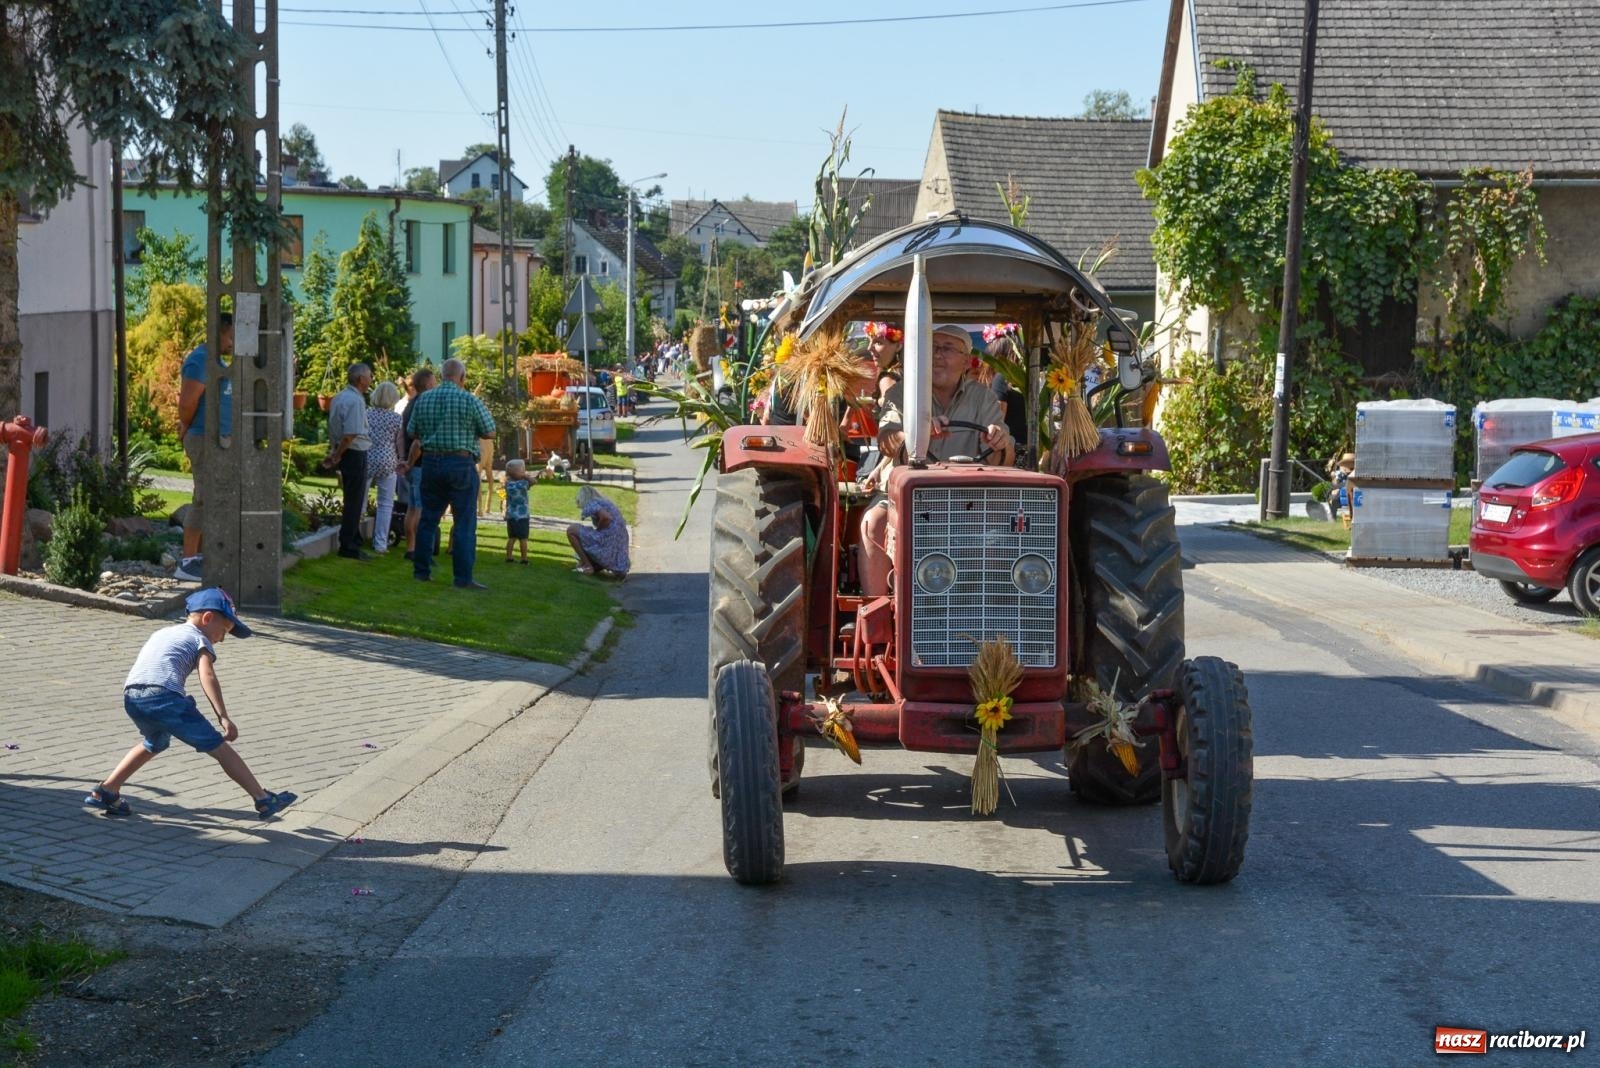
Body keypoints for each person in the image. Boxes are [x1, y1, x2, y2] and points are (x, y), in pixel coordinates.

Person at [83, 587, 297, 821]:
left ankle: (107, 790)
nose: (222, 639)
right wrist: (223, 715)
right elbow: (208, 676)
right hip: (165, 698)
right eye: (224, 630)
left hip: (133, 697)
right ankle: (263, 799)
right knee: (220, 747)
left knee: (154, 742)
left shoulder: (163, 632)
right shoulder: (199, 638)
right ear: (207, 618)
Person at [859, 324, 1014, 598]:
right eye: (931, 348)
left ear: (967, 361)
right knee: (874, 522)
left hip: (970, 498)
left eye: (947, 348)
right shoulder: (900, 395)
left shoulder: (983, 398)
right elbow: (885, 441)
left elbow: (1005, 458)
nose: (937, 355)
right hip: (905, 497)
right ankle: (877, 611)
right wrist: (917, 433)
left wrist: (999, 441)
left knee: (1011, 528)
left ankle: (992, 603)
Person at [405, 357, 496, 588]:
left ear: (442, 374)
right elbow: (490, 431)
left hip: (431, 463)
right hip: (461, 464)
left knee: (428, 519)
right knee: (464, 522)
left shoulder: (423, 399)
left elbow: (412, 431)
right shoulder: (469, 400)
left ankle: (421, 571)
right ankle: (463, 578)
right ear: (462, 378)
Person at [174, 312, 234, 582]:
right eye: (230, 336)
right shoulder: (200, 361)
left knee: (212, 498)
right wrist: (185, 426)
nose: (233, 343)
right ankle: (187, 562)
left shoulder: (218, 361)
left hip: (216, 439)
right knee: (203, 498)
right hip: (203, 437)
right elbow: (187, 403)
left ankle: (200, 558)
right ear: (218, 333)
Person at [323, 363, 374, 560]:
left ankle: (353, 538)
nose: (371, 379)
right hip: (354, 452)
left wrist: (335, 451)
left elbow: (337, 429)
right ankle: (349, 545)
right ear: (361, 379)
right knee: (354, 500)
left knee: (351, 498)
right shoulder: (356, 401)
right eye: (369, 375)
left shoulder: (340, 397)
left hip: (345, 450)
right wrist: (338, 454)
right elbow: (350, 434)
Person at [400, 366, 436, 561]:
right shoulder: (425, 404)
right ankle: (421, 550)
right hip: (420, 463)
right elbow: (418, 441)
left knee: (412, 507)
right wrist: (411, 462)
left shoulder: (410, 404)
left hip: (410, 462)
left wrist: (403, 459)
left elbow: (401, 435)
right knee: (421, 508)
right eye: (435, 381)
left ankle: (411, 548)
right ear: (428, 383)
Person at [365, 380, 405, 553]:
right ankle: (380, 543)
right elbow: (399, 442)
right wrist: (401, 458)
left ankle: (354, 536)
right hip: (388, 460)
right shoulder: (396, 418)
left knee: (360, 498)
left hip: (367, 457)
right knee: (386, 504)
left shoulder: (366, 414)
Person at [567, 485, 629, 578]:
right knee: (579, 564)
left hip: (608, 541)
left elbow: (606, 517)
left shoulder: (592, 503)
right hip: (617, 544)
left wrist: (599, 530)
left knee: (571, 530)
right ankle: (593, 565)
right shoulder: (604, 502)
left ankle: (587, 566)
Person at [864, 321, 905, 405]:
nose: (869, 348)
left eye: (878, 342)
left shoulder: (888, 380)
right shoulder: (904, 373)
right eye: (870, 341)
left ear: (898, 346)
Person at [503, 458, 532, 564]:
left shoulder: (508, 484)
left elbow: (508, 499)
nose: (524, 471)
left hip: (511, 515)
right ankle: (524, 558)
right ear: (517, 472)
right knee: (523, 538)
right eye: (522, 470)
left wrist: (505, 511)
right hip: (522, 515)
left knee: (511, 538)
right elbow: (534, 482)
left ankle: (509, 557)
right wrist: (526, 476)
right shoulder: (523, 484)